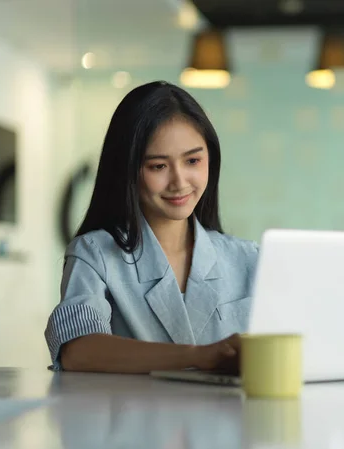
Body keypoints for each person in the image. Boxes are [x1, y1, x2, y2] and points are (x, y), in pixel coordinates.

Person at [44, 81, 258, 374]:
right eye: (158, 166)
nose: (180, 181)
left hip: (230, 420)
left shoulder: (250, 258)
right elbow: (77, 350)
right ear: (127, 169)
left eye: (193, 160)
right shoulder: (95, 255)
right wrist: (200, 356)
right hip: (133, 420)